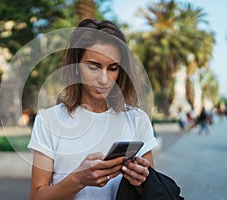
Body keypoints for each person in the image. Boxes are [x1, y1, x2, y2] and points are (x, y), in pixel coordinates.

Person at [27, 19, 158, 200]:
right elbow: (36, 196)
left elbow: (153, 190)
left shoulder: (137, 119)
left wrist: (141, 181)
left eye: (112, 68)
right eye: (93, 67)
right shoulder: (48, 121)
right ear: (75, 66)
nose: (104, 79)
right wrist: (79, 179)